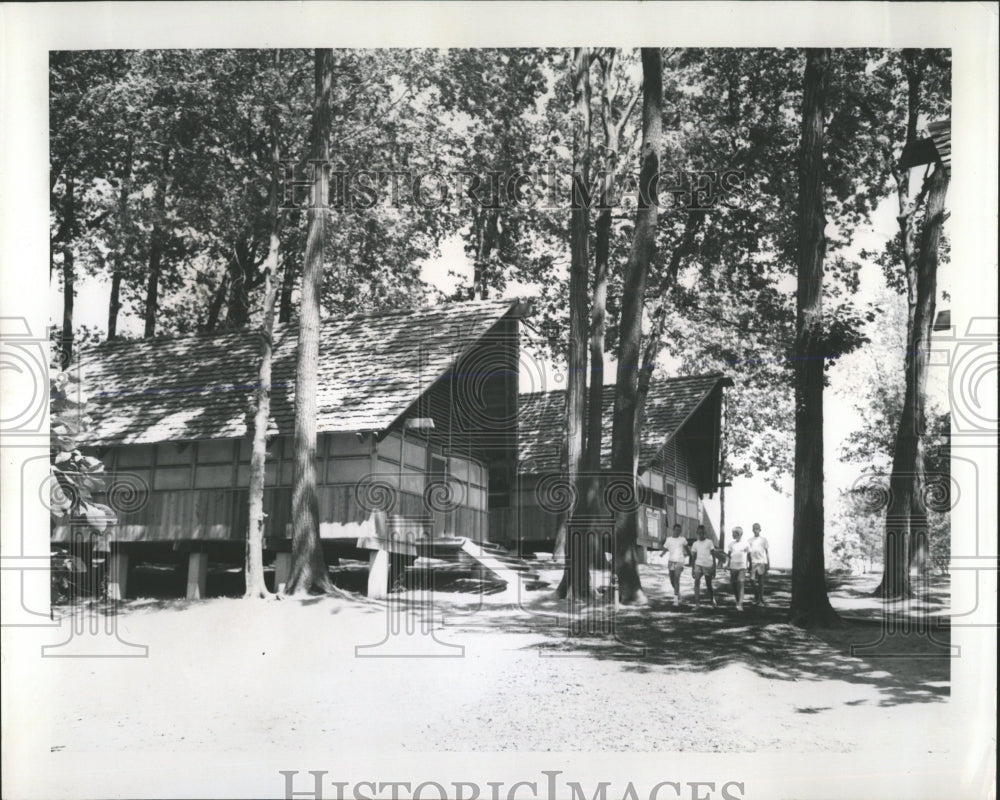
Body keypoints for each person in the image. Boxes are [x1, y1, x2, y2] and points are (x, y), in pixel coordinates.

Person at [659, 523, 690, 605]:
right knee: (672, 580)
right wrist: (662, 554)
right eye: (676, 530)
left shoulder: (682, 539)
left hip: (680, 561)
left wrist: (691, 556)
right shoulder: (669, 539)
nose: (678, 532)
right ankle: (678, 593)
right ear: (673, 530)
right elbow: (665, 548)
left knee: (676, 579)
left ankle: (675, 599)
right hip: (671, 561)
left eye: (679, 531)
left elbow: (687, 549)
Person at [689, 525, 718, 608]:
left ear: (705, 533)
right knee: (696, 582)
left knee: (708, 584)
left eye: (703, 533)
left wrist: (714, 568)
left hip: (708, 565)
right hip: (698, 565)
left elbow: (713, 556)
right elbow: (693, 557)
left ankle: (712, 599)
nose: (701, 535)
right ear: (697, 533)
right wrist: (692, 569)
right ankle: (697, 603)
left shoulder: (709, 542)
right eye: (699, 533)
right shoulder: (695, 544)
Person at [725, 526, 751, 610]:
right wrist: (727, 565)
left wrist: (750, 565)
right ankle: (738, 600)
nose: (732, 535)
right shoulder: (731, 544)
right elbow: (728, 556)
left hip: (742, 566)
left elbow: (749, 555)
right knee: (734, 583)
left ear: (739, 534)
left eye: (734, 533)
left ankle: (740, 604)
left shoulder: (746, 544)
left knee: (741, 582)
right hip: (733, 566)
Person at [748, 522, 770, 606]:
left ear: (760, 529)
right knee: (751, 580)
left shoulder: (763, 539)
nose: (755, 530)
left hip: (761, 562)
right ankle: (757, 595)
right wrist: (749, 563)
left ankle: (760, 600)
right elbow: (748, 553)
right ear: (752, 530)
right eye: (754, 528)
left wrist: (768, 563)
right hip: (753, 562)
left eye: (757, 528)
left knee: (761, 582)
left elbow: (767, 552)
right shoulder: (749, 540)